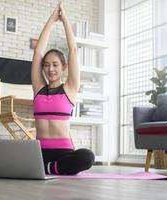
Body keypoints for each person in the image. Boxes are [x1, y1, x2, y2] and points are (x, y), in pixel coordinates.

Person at [31, 0, 95, 175]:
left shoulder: (70, 88)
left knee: (87, 157)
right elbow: (38, 52)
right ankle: (49, 168)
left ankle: (49, 169)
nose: (50, 69)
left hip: (63, 153)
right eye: (46, 65)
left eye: (55, 65)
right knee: (13, 153)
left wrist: (65, 19)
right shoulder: (38, 88)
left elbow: (73, 50)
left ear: (63, 67)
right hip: (40, 152)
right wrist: (52, 19)